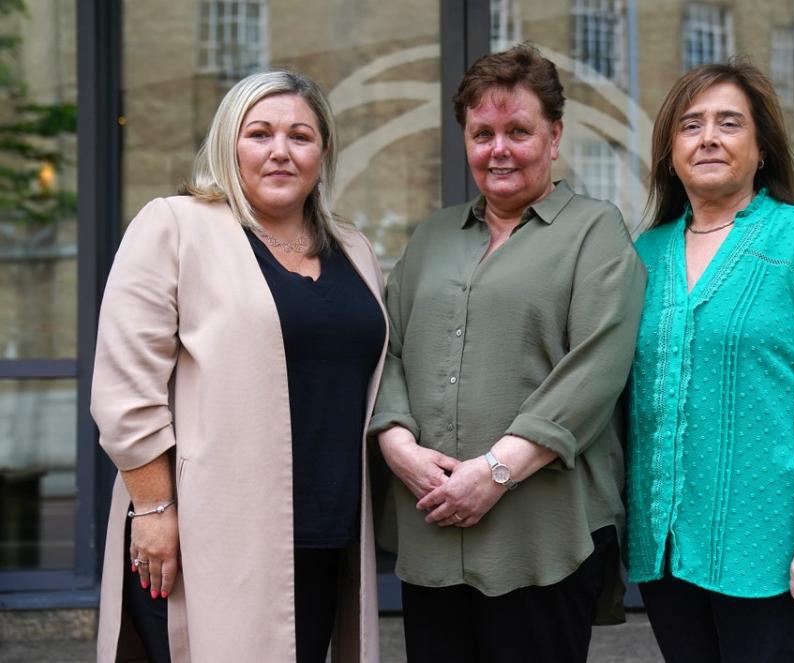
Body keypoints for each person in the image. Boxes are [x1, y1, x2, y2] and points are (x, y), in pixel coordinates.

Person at [91, 70, 387, 663]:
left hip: (327, 532)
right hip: (206, 532)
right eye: (260, 133)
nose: (280, 150)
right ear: (230, 145)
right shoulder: (176, 225)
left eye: (300, 136)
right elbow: (126, 389)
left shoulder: (352, 248)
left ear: (323, 153)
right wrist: (153, 511)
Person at [368, 44, 645, 663]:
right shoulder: (432, 237)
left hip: (541, 532)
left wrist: (493, 472)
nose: (498, 149)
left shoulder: (595, 231)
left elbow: (597, 368)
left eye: (518, 131)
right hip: (433, 523)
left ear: (554, 137)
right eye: (482, 133)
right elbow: (385, 346)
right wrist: (397, 444)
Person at [626, 61, 794, 662]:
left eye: (729, 123)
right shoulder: (642, 254)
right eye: (690, 125)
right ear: (669, 151)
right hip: (664, 545)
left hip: (768, 542)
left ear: (761, 149)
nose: (708, 136)